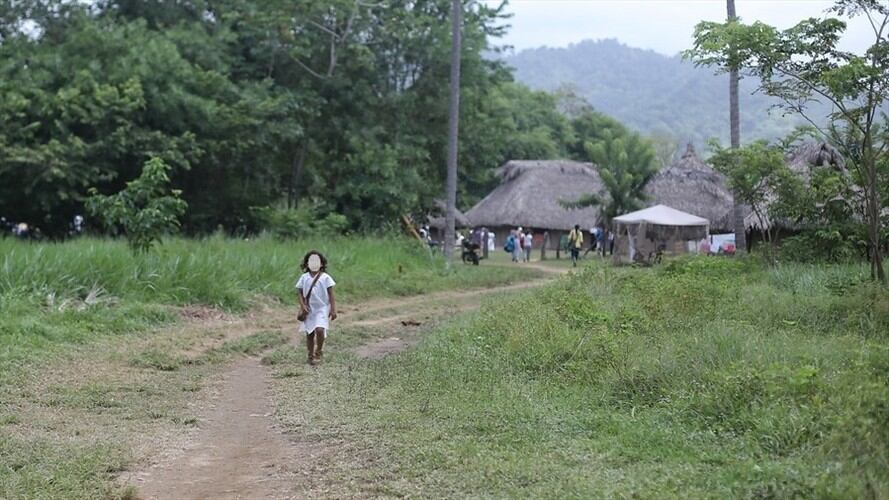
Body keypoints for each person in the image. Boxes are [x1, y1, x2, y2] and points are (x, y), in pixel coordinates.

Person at [296, 251, 337, 365]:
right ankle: (310, 355)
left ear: (322, 263)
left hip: (322, 308)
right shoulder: (304, 277)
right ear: (307, 264)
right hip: (309, 309)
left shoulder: (326, 277)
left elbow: (331, 294)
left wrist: (333, 309)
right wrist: (303, 306)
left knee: (320, 329)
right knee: (309, 333)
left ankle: (318, 351)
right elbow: (299, 293)